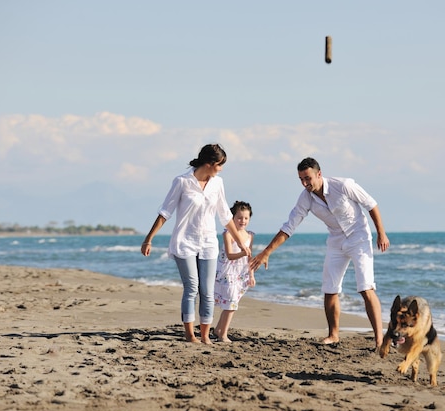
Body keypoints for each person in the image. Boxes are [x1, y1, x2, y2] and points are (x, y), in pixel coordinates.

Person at [250, 157, 390, 349]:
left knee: (366, 287)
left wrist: (381, 234)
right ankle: (333, 335)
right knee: (329, 288)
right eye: (301, 179)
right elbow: (289, 226)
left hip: (359, 237)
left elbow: (371, 204)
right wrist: (266, 252)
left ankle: (380, 341)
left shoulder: (343, 185)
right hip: (335, 240)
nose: (305, 183)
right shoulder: (305, 198)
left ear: (319, 174)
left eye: (308, 178)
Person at [141, 144, 251, 345]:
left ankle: (205, 335)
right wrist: (149, 238)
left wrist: (239, 241)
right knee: (192, 287)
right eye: (219, 165)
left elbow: (225, 216)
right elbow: (165, 212)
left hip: (208, 242)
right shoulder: (182, 182)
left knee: (207, 291)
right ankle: (190, 334)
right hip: (185, 242)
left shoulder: (218, 184)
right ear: (209, 163)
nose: (221, 169)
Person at [213, 201, 256, 343]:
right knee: (231, 302)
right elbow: (230, 255)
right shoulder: (228, 234)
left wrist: (251, 275)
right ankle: (223, 334)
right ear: (232, 218)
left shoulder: (250, 235)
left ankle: (219, 329)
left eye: (246, 218)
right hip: (227, 272)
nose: (242, 221)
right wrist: (243, 253)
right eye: (239, 217)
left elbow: (250, 257)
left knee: (232, 302)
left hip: (241, 273)